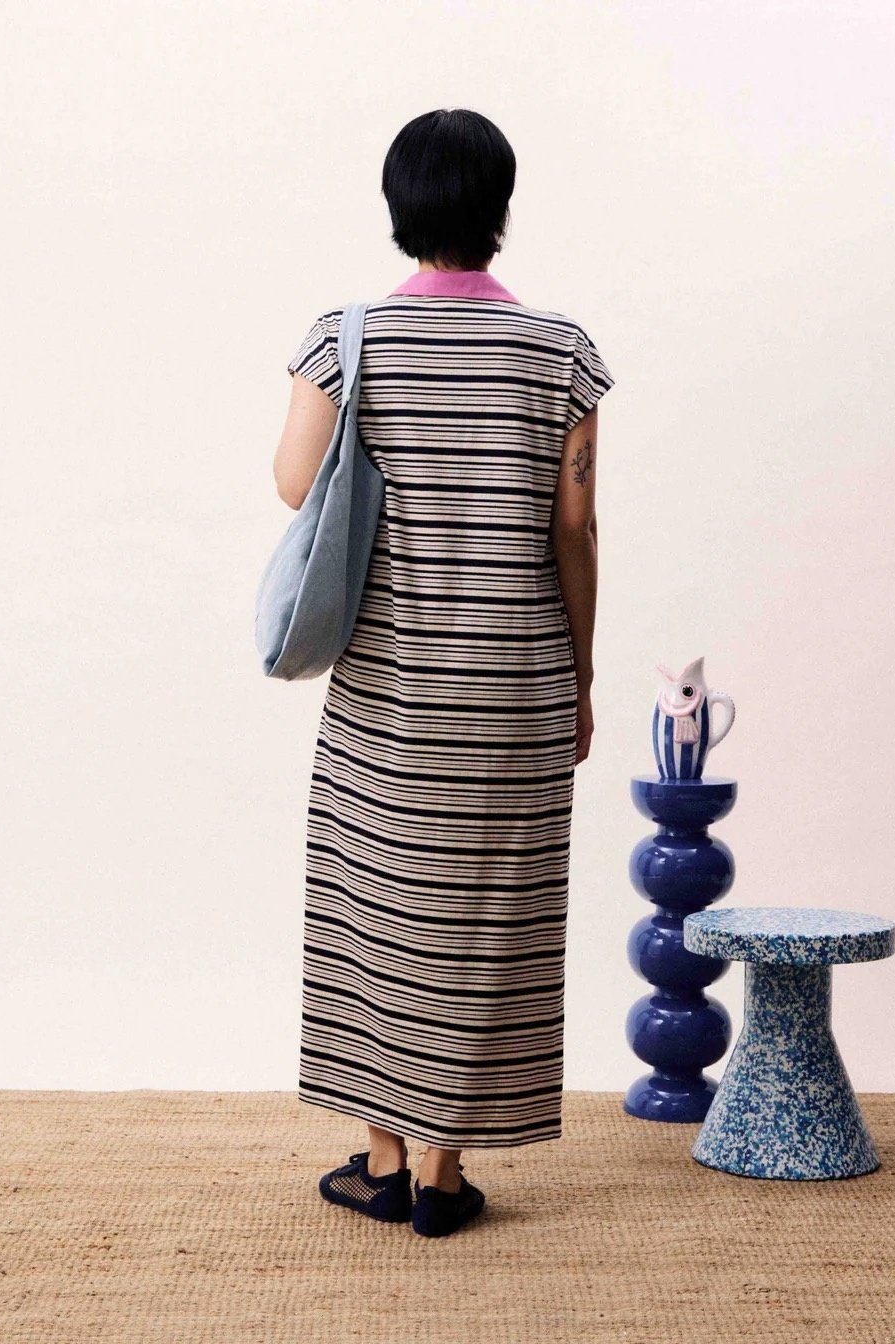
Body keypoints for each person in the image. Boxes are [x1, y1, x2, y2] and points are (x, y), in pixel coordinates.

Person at [274, 108, 614, 1237]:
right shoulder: (561, 351)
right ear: (501, 210)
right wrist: (580, 676)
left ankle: (380, 1160)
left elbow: (295, 484)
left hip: (387, 683)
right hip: (515, 684)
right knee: (483, 919)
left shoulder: (346, 339)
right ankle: (441, 1174)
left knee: (377, 901)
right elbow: (576, 528)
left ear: (398, 206)